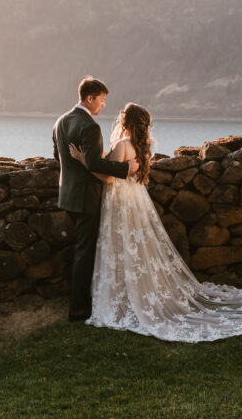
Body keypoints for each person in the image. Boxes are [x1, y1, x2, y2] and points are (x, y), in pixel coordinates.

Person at [70, 103, 242, 342]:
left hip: (120, 202)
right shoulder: (141, 145)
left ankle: (124, 297)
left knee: (122, 246)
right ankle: (135, 294)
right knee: (138, 248)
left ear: (126, 122)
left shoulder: (122, 145)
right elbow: (123, 168)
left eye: (122, 116)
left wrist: (83, 160)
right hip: (135, 201)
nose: (119, 118)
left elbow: (107, 176)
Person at [53, 77, 139, 322]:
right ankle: (79, 310)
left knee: (80, 250)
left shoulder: (60, 121)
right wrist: (127, 168)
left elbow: (58, 157)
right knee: (84, 253)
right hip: (86, 198)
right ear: (89, 98)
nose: (103, 106)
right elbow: (94, 164)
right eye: (101, 100)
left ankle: (81, 302)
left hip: (67, 195)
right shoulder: (89, 126)